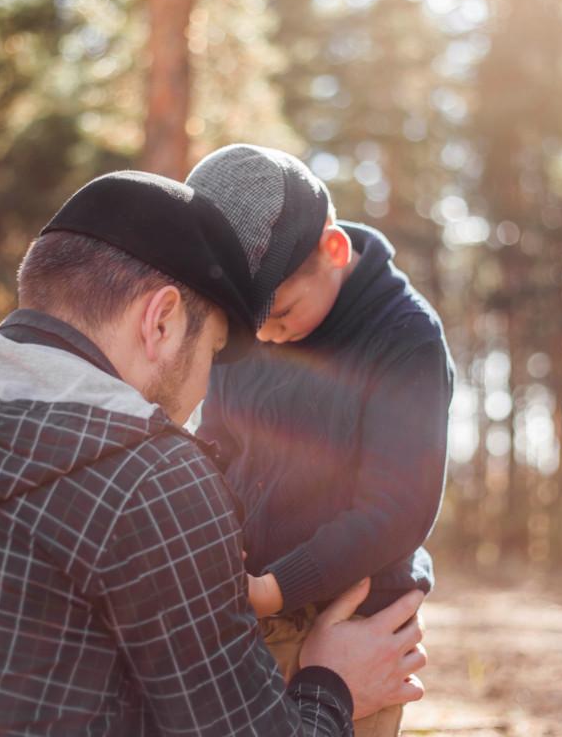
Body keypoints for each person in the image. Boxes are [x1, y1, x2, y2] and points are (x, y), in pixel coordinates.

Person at [0, 171, 427, 736]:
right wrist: (329, 684)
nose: (201, 395)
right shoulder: (153, 479)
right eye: (214, 352)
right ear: (160, 321)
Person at [186, 146, 454, 737]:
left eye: (280, 314)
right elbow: (217, 443)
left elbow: (397, 506)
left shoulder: (405, 338)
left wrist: (276, 589)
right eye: (250, 323)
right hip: (248, 606)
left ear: (335, 251)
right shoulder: (253, 327)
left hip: (346, 612)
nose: (266, 337)